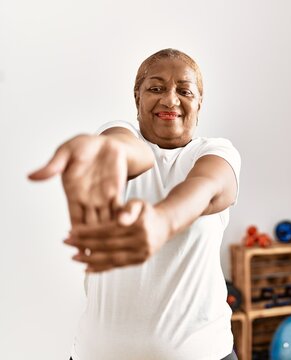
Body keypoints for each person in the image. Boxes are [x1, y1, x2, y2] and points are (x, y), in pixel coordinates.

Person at [28, 48, 241, 360]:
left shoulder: (217, 152)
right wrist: (104, 152)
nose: (170, 100)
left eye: (184, 91)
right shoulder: (121, 136)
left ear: (199, 102)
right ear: (137, 97)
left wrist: (162, 221)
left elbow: (206, 188)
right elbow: (126, 150)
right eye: (156, 88)